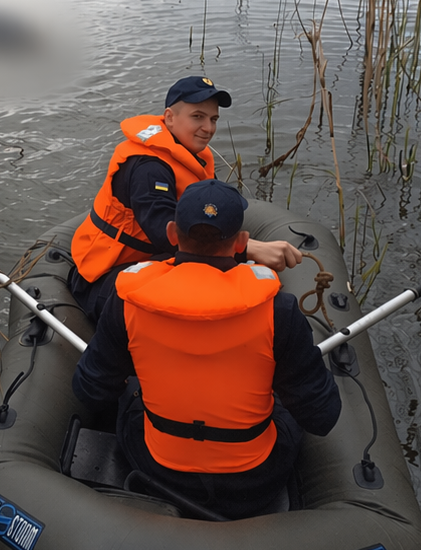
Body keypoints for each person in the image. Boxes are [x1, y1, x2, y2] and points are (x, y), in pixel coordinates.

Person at [71, 179, 341, 520]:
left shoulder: (127, 300)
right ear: (242, 242)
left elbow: (90, 390)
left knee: (130, 395)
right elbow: (322, 416)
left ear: (172, 234)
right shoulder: (279, 312)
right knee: (284, 407)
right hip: (253, 481)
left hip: (157, 468)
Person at [69, 75, 301, 322]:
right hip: (107, 275)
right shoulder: (148, 168)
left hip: (153, 261)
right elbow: (164, 230)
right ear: (169, 117)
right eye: (197, 117)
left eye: (213, 120)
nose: (208, 128)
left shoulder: (187, 152)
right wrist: (245, 249)